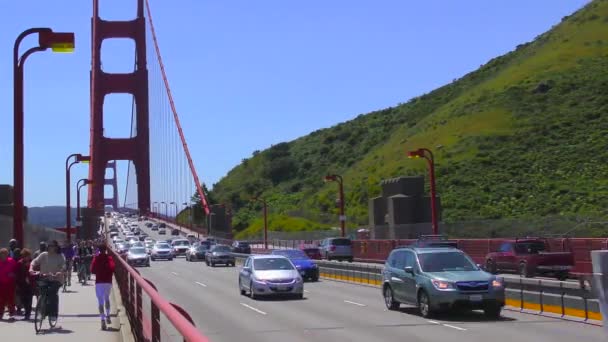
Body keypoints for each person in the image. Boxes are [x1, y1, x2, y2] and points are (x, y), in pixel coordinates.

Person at [29, 240, 65, 322]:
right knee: (42, 292)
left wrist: (60, 272)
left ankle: (53, 314)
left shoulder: (60, 256)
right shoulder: (44, 255)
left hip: (56, 279)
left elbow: (63, 265)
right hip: (44, 277)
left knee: (52, 293)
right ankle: (42, 311)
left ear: (56, 247)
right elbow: (35, 261)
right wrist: (31, 268)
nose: (51, 247)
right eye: (50, 246)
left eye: (53, 246)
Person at [90, 243, 115, 330]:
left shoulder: (96, 258)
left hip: (99, 282)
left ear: (99, 250)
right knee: (107, 298)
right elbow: (112, 268)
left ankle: (102, 320)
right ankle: (108, 315)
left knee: (100, 302)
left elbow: (92, 270)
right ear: (106, 250)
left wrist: (99, 271)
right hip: (107, 281)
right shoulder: (109, 258)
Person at [15, 248, 34, 320]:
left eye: (27, 256)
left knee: (29, 298)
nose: (26, 257)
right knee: (23, 299)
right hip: (21, 284)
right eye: (25, 256)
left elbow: (35, 272)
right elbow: (17, 273)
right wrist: (17, 283)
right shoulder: (19, 263)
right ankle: (26, 310)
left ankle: (27, 313)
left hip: (30, 284)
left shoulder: (32, 263)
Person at [0, 248, 17, 320]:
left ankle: (12, 313)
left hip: (10, 283)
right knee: (1, 299)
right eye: (2, 254)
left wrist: (13, 274)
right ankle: (0, 313)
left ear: (7, 255)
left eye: (5, 254)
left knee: (11, 298)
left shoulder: (12, 261)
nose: (3, 256)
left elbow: (16, 271)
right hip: (1, 283)